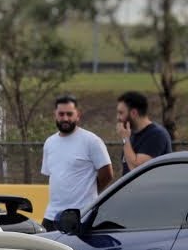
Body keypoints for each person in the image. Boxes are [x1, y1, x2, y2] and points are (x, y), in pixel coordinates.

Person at [41, 95, 113, 231]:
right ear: (55, 115)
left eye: (69, 114)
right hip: (52, 216)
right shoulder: (49, 143)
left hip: (82, 215)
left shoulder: (91, 141)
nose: (65, 118)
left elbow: (107, 174)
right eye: (61, 114)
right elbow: (53, 176)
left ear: (78, 115)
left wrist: (91, 192)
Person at [115, 91, 172, 175]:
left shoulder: (156, 135)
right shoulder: (130, 135)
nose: (118, 117)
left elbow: (137, 170)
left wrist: (125, 139)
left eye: (121, 113)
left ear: (134, 113)